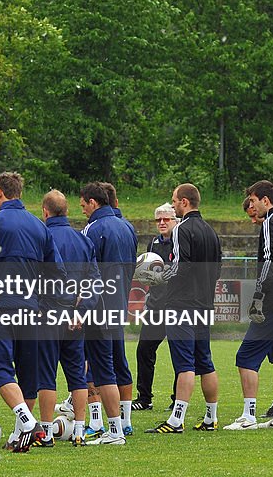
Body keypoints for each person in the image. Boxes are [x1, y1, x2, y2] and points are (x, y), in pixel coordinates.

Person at [0, 172, 64, 452]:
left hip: (0, 306)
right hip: (30, 309)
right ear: (20, 192)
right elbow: (57, 272)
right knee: (28, 375)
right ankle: (20, 437)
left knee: (0, 371)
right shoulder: (39, 227)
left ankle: (26, 422)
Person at [141, 183, 222, 434]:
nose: (173, 204)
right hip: (203, 304)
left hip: (181, 305)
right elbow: (217, 269)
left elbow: (180, 266)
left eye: (175, 201)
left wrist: (159, 277)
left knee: (185, 364)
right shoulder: (211, 232)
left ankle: (176, 420)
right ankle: (211, 417)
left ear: (185, 202)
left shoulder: (181, 230)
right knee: (205, 362)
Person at [224, 180, 273, 431]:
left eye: (254, 201)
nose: (253, 207)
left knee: (245, 357)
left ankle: (249, 416)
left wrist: (259, 293)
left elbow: (271, 259)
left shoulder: (271, 221)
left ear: (265, 200)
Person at [79, 181, 137, 445]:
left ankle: (98, 423)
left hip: (98, 308)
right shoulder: (128, 227)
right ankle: (125, 422)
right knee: (120, 363)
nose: (82, 211)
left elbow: (87, 271)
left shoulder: (93, 228)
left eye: (83, 205)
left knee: (96, 368)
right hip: (119, 304)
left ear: (93, 203)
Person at [40, 189, 99, 447]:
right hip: (76, 320)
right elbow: (94, 282)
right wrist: (81, 310)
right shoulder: (83, 240)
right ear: (67, 211)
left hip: (48, 316)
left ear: (45, 212)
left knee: (46, 374)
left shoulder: (40, 238)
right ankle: (78, 429)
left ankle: (46, 431)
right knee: (77, 374)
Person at [131, 203, 179, 412]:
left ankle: (178, 398)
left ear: (175, 221)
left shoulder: (181, 242)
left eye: (166, 219)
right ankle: (144, 398)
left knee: (179, 353)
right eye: (158, 219)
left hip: (176, 307)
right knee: (144, 350)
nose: (161, 223)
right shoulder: (153, 244)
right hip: (155, 308)